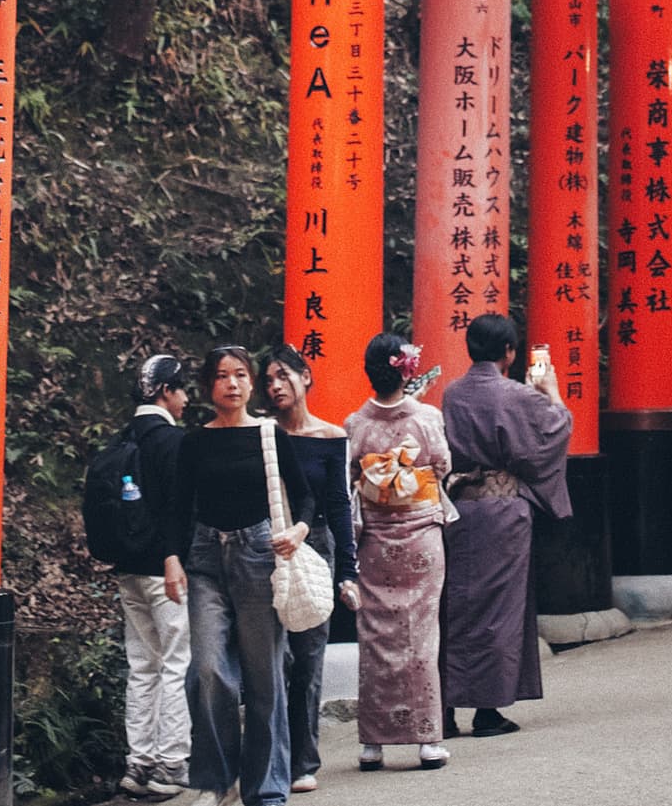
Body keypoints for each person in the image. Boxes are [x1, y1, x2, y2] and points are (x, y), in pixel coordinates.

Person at [159, 345, 325, 806]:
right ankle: (220, 779)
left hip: (259, 554)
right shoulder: (194, 442)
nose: (231, 384)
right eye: (221, 376)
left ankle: (266, 787)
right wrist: (171, 558)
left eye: (240, 375)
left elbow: (306, 497)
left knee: (264, 676)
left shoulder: (270, 435)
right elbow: (177, 506)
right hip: (205, 558)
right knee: (209, 670)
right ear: (208, 386)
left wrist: (299, 530)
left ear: (251, 383)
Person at [438, 311, 570, 739]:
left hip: (458, 509)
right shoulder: (516, 395)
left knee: (453, 605)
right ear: (509, 352)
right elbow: (552, 435)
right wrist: (552, 393)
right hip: (502, 513)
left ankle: (443, 708)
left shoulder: (452, 394)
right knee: (499, 609)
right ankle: (486, 710)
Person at [340, 333, 455, 772]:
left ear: (369, 373)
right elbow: (441, 466)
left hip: (374, 537)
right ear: (407, 371)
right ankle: (427, 740)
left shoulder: (356, 425)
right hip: (421, 533)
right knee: (421, 635)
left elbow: (350, 474)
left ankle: (373, 743)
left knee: (375, 636)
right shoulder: (427, 418)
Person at [90, 352, 196, 795]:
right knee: (175, 663)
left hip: (127, 570)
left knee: (142, 666)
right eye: (182, 389)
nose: (187, 399)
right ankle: (171, 764)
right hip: (166, 571)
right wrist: (175, 556)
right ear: (166, 391)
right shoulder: (172, 442)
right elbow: (177, 507)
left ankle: (139, 764)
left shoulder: (119, 442)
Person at [258, 348, 356, 794]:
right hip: (268, 543)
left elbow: (338, 505)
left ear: (306, 377)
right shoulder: (262, 435)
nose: (275, 386)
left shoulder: (331, 437)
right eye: (268, 380)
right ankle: (271, 758)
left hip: (316, 546)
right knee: (272, 657)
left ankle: (302, 760)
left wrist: (348, 571)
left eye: (283, 376)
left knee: (308, 657)